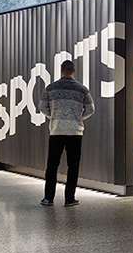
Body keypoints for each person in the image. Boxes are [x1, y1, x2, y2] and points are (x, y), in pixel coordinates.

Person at [39, 59, 95, 207]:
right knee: (73, 166)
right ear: (73, 71)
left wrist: (54, 116)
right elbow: (90, 109)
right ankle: (69, 198)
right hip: (75, 132)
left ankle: (48, 198)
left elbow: (42, 107)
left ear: (61, 70)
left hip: (56, 130)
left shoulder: (51, 88)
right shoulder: (82, 89)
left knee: (52, 166)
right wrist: (78, 117)